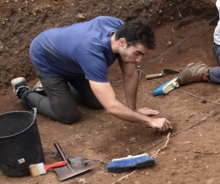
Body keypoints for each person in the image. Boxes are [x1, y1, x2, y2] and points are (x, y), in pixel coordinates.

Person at [11, 16, 171, 132]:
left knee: (96, 102)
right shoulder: (92, 54)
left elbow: (129, 75)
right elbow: (111, 106)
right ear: (122, 42)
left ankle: (56, 91)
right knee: (68, 115)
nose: (138, 59)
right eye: (137, 53)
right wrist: (150, 121)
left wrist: (133, 109)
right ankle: (24, 93)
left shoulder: (119, 29)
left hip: (75, 62)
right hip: (47, 58)